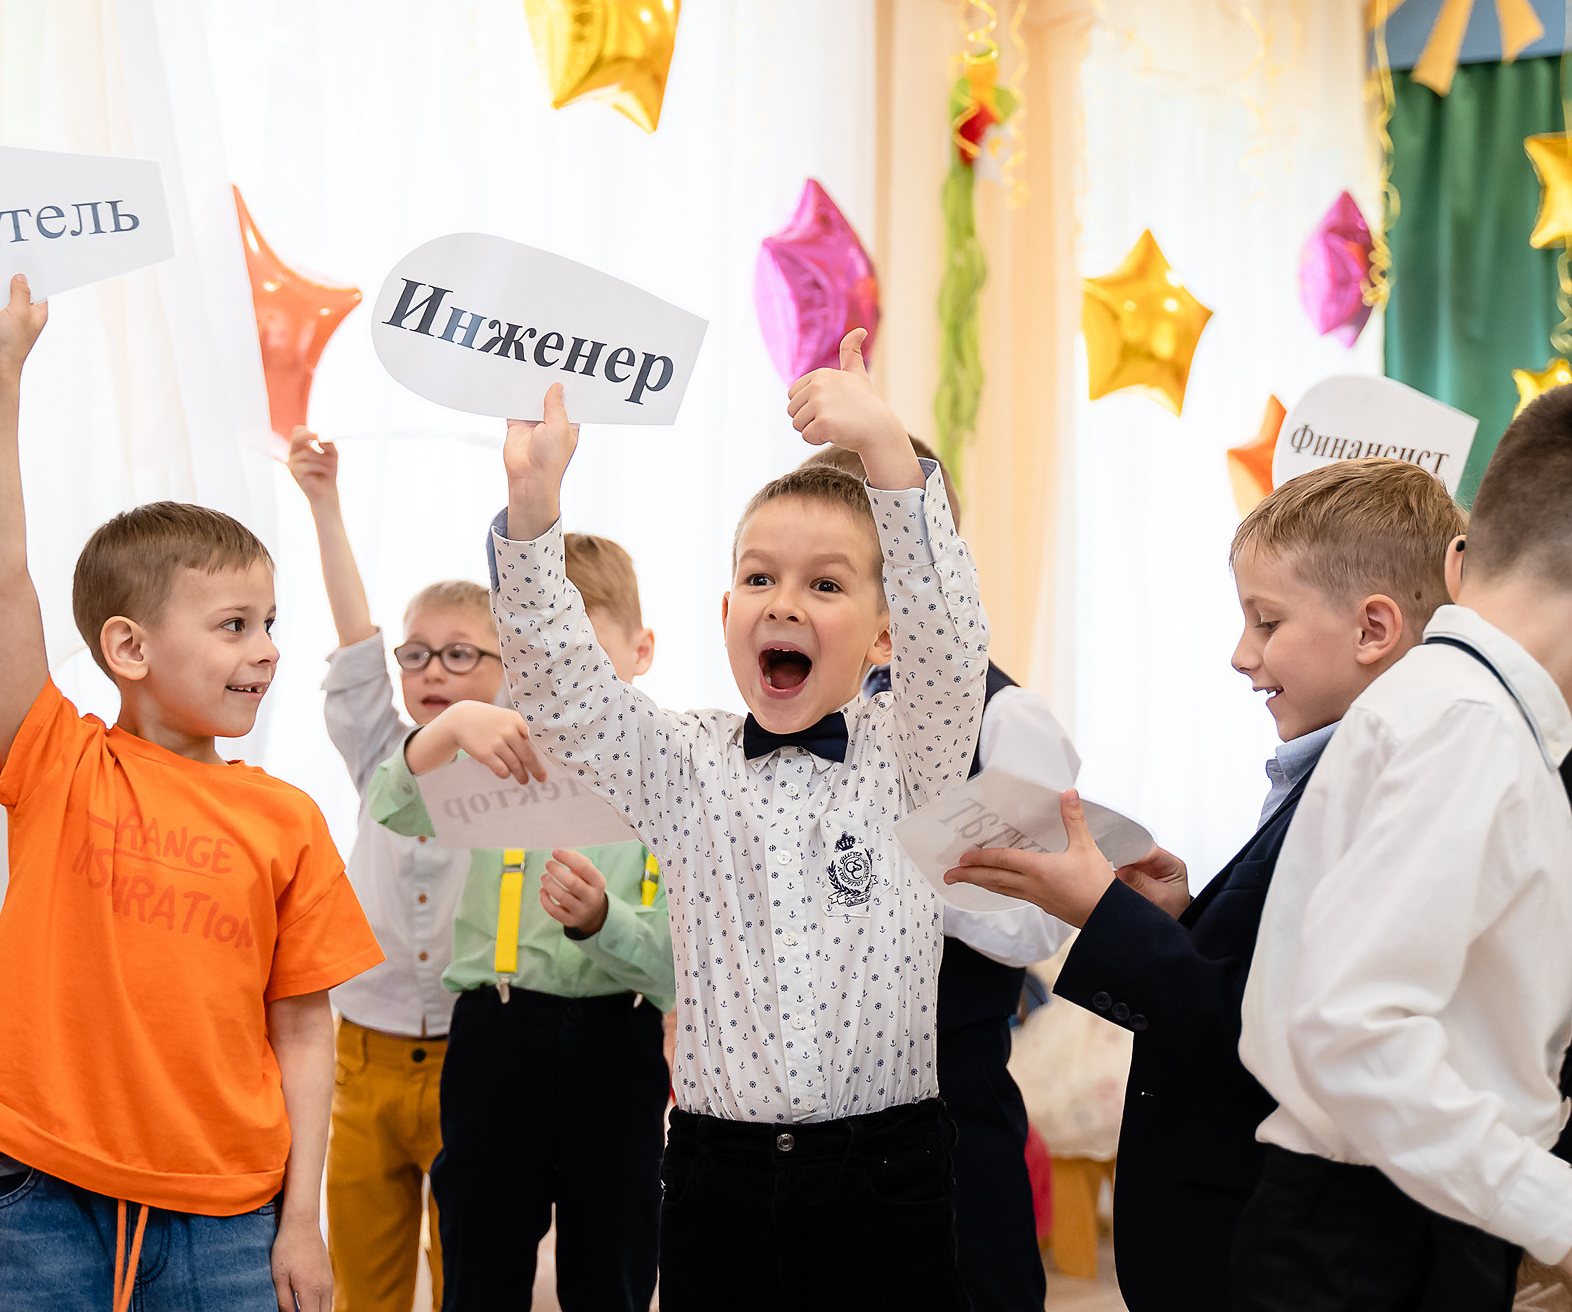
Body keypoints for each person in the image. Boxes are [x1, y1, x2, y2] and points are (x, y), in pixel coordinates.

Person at [487, 331, 984, 1309]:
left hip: (885, 1174)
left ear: (884, 634)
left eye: (824, 584)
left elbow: (952, 638)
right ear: (725, 611)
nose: (782, 603)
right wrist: (533, 504)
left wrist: (888, 450)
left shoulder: (912, 750)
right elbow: (564, 696)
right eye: (759, 579)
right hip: (716, 1174)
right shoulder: (686, 762)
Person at [0, 276, 383, 1312]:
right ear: (128, 647)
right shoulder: (59, 761)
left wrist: (300, 1220)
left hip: (229, 1216)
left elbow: (305, 1030)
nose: (266, 650)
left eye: (270, 624)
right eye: (233, 625)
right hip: (47, 1199)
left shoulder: (286, 820)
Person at [949, 457, 1468, 1310]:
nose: (1240, 654)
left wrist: (1102, 913)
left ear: (1374, 628)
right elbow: (1272, 963)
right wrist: (1181, 918)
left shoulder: (1389, 789)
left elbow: (1271, 1034)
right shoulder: (1331, 768)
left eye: (1267, 621)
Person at [1231, 394, 1572, 1311]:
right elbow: (1356, 1028)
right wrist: (1557, 1212)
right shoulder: (1467, 723)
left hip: (1397, 1209)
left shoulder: (1459, 706)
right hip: (1373, 1230)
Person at [365, 531, 675, 1312]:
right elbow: (391, 807)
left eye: (586, 653)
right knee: (481, 1266)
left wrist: (603, 921)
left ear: (640, 650)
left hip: (621, 1044)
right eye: (540, 657)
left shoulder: (672, 770)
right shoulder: (493, 746)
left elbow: (675, 970)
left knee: (613, 1268)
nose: (564, 677)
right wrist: (446, 729)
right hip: (496, 1040)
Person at [804, 443, 1073, 1312]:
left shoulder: (1009, 716)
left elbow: (1038, 923)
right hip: (823, 1098)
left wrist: (907, 872)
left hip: (952, 1086)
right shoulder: (807, 714)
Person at [286, 427, 482, 1312]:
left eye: (460, 653)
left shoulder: (520, 775)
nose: (431, 670)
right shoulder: (381, 755)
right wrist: (323, 501)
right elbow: (356, 646)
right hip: (362, 1053)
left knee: (468, 1270)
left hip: (471, 1054)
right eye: (417, 652)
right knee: (364, 1279)